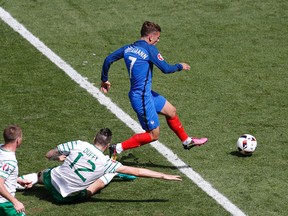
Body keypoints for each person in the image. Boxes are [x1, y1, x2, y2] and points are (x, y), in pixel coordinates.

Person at [100, 21, 208, 158]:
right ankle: (118, 148)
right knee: (153, 135)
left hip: (146, 94)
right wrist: (179, 66)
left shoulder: (128, 48)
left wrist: (104, 79)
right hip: (142, 98)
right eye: (157, 38)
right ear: (150, 37)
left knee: (171, 111)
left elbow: (108, 59)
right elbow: (166, 69)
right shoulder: (149, 50)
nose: (158, 41)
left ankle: (186, 141)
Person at [19, 128, 181, 204]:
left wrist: (58, 157)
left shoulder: (79, 144)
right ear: (108, 144)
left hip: (49, 181)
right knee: (96, 185)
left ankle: (17, 182)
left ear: (93, 138)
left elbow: (48, 155)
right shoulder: (106, 162)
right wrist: (163, 175)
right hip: (64, 197)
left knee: (42, 174)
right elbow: (137, 171)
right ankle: (112, 175)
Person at [0, 125, 33, 216]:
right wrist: (15, 202)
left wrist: (16, 180)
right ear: (18, 140)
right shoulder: (9, 160)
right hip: (4, 204)